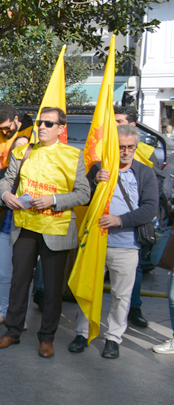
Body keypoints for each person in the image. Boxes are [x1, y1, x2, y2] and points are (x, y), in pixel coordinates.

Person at [0, 107, 91, 358]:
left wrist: (54, 199)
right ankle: (12, 331)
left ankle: (47, 338)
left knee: (52, 288)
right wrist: (6, 195)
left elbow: (83, 193)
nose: (42, 127)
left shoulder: (73, 155)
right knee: (18, 283)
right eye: (39, 122)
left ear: (61, 128)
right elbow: (6, 179)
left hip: (56, 229)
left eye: (49, 123)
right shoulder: (22, 151)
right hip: (25, 225)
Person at [69, 125, 158, 359]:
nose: (126, 151)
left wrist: (120, 220)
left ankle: (113, 338)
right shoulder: (99, 167)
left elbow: (150, 209)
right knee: (89, 288)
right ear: (112, 146)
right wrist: (94, 181)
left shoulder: (145, 172)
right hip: (96, 243)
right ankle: (82, 333)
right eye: (121, 147)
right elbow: (83, 197)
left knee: (121, 295)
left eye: (131, 147)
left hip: (127, 245)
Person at [113, 104, 165, 328]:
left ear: (131, 126)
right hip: (103, 233)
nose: (112, 125)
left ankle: (135, 308)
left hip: (134, 229)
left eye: (118, 122)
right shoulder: (105, 148)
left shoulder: (147, 154)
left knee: (135, 271)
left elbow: (152, 189)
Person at [0, 135, 30, 326]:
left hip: (27, 229)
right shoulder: (5, 172)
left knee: (23, 275)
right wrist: (5, 197)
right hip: (6, 226)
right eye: (16, 148)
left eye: (24, 148)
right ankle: (4, 311)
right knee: (4, 273)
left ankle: (20, 316)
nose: (20, 152)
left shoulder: (39, 173)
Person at [0, 103, 34, 171]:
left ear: (16, 119)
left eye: (7, 127)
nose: (4, 132)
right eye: (0, 128)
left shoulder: (30, 133)